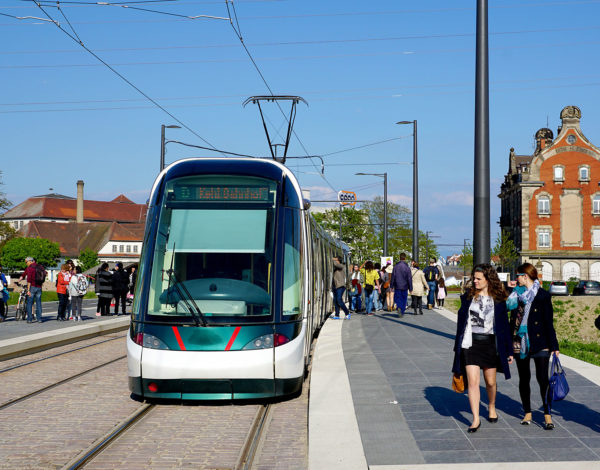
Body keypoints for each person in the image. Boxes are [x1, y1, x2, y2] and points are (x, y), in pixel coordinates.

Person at [452, 264, 513, 433]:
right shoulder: (467, 297)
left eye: (479, 278)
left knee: (491, 382)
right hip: (470, 344)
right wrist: (457, 347)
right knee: (472, 382)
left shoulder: (498, 299)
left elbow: (504, 326)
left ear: (488, 279)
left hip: (490, 344)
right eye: (474, 278)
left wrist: (508, 350)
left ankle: (491, 406)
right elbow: (461, 323)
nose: (475, 281)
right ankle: (475, 419)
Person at [507, 263, 559, 430]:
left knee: (543, 379)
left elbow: (548, 322)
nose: (516, 279)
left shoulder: (543, 296)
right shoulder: (515, 295)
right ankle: (527, 412)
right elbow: (509, 318)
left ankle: (547, 414)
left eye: (518, 276)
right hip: (519, 342)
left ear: (525, 276)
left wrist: (554, 346)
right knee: (524, 378)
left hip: (540, 342)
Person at [21, 256, 44, 323]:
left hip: (32, 287)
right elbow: (44, 275)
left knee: (29, 303)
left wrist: (28, 290)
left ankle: (29, 319)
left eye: (26, 262)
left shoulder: (30, 268)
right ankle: (39, 319)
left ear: (30, 261)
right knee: (38, 303)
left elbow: (29, 280)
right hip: (39, 287)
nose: (26, 263)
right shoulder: (40, 267)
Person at [390, 253, 412, 318]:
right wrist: (410, 288)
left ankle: (399, 307)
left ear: (400, 258)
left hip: (397, 285)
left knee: (398, 298)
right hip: (405, 286)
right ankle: (402, 310)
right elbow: (409, 278)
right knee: (404, 299)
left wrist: (391, 286)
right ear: (405, 258)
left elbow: (393, 277)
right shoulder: (407, 267)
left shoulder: (395, 267)